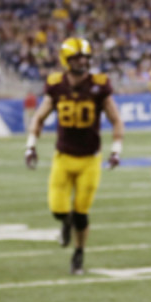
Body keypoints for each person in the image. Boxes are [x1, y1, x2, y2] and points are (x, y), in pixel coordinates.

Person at [24, 38, 124, 275]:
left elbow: (116, 119)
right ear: (66, 61)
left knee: (81, 213)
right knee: (58, 209)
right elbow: (38, 117)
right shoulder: (56, 85)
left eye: (85, 58)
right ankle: (65, 225)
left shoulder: (99, 85)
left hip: (90, 159)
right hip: (63, 156)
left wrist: (116, 150)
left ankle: (79, 253)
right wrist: (31, 145)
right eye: (78, 58)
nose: (83, 62)